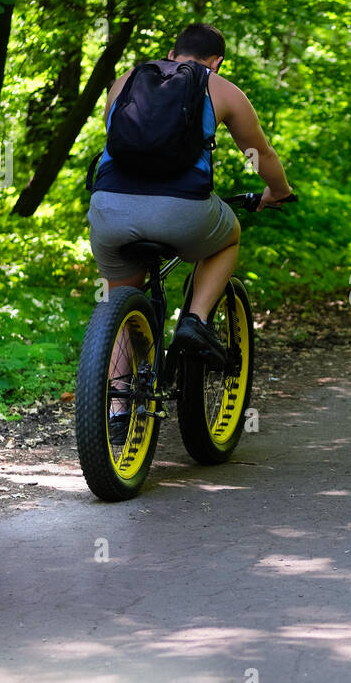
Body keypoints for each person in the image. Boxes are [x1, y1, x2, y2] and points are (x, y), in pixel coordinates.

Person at [88, 24, 293, 434]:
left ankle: (115, 411)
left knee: (122, 301)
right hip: (180, 210)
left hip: (109, 208)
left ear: (171, 52)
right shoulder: (221, 89)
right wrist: (278, 191)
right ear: (216, 62)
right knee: (229, 234)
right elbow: (259, 152)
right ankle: (194, 321)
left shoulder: (126, 81)